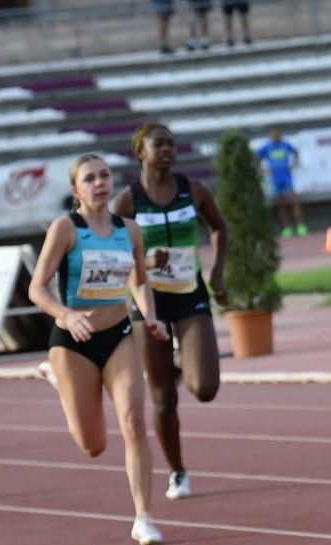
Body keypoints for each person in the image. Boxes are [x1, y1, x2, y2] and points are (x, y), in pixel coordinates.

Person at [29, 153, 171, 545]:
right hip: (74, 342)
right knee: (93, 445)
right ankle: (57, 376)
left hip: (119, 335)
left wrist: (150, 316)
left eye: (105, 175)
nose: (100, 183)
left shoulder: (130, 230)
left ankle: (143, 516)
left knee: (134, 423)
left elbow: (140, 280)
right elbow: (36, 288)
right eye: (90, 178)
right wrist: (64, 315)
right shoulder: (65, 229)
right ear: (76, 190)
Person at [113, 123, 229, 502]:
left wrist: (216, 271)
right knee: (163, 398)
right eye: (158, 144)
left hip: (189, 293)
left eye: (171, 144)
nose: (167, 149)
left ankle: (183, 365)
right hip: (148, 304)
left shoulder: (191, 190)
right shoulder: (127, 202)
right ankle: (178, 472)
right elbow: (109, 253)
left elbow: (219, 228)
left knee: (205, 388)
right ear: (140, 151)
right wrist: (144, 260)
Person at [257, 126, 306, 238]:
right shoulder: (267, 147)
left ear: (280, 134)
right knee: (280, 204)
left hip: (286, 177)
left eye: (277, 133)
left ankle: (301, 226)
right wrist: (263, 168)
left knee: (294, 201)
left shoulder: (285, 145)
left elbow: (296, 152)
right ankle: (286, 228)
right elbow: (257, 157)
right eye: (273, 133)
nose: (275, 135)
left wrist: (293, 164)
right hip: (274, 178)